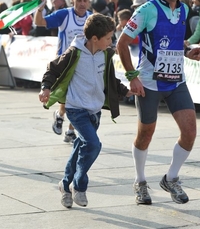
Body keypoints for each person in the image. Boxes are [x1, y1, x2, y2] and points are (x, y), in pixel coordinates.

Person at [116, 0, 200, 205]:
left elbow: (173, 43)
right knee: (145, 135)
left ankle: (171, 178)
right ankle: (140, 181)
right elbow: (121, 44)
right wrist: (132, 76)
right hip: (148, 82)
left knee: (190, 132)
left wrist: (187, 52)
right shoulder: (146, 10)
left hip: (176, 81)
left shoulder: (184, 9)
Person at [39, 13, 132, 208]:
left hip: (94, 111)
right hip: (76, 109)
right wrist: (46, 88)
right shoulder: (75, 53)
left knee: (79, 149)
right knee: (93, 145)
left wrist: (125, 90)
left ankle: (65, 185)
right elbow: (53, 69)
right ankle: (79, 186)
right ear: (95, 39)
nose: (111, 41)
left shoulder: (105, 54)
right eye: (108, 38)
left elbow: (109, 79)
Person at [34, 0, 92, 143]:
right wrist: (40, 9)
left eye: (85, 0)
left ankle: (70, 131)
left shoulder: (92, 18)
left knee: (78, 101)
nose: (82, 4)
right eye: (78, 0)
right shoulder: (64, 15)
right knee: (69, 99)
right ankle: (60, 116)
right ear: (72, 0)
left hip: (83, 66)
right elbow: (39, 22)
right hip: (64, 65)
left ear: (89, 1)